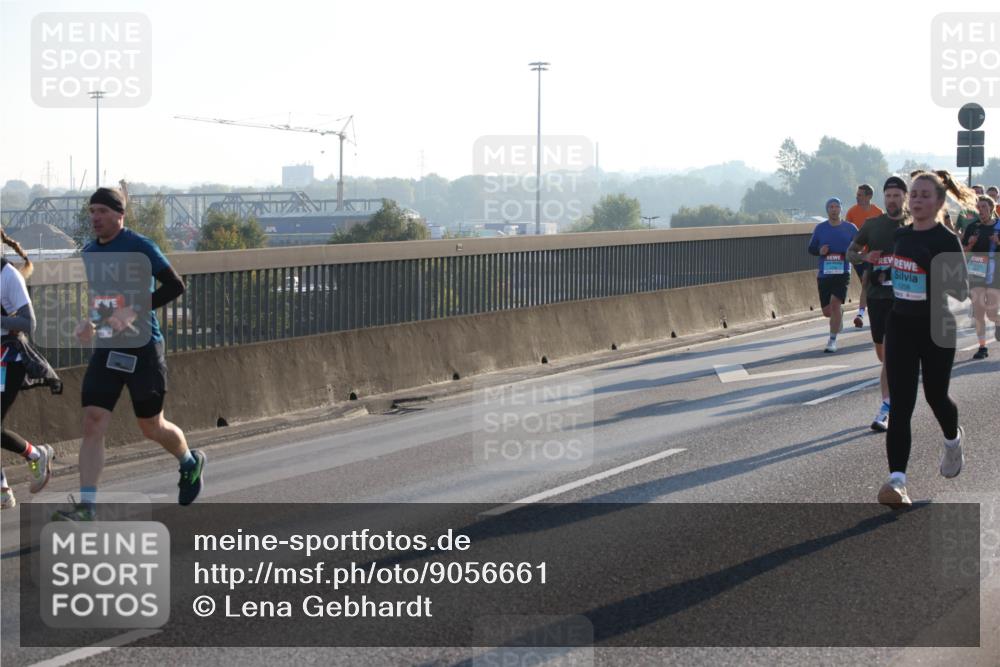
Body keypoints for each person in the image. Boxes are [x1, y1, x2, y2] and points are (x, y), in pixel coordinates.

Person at [53, 186, 204, 521]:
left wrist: (134, 311)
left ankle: (190, 462)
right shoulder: (91, 252)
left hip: (144, 348)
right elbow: (104, 300)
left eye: (103, 211)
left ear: (119, 215)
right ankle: (87, 507)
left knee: (151, 425)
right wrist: (91, 322)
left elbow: (176, 285)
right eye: (92, 211)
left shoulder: (140, 246)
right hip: (108, 346)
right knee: (93, 421)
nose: (95, 217)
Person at [877, 170, 973, 509]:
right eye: (913, 194)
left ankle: (952, 440)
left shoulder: (946, 240)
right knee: (901, 404)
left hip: (936, 327)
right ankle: (897, 481)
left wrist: (931, 268)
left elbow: (960, 290)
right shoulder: (901, 236)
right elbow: (900, 276)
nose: (916, 200)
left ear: (938, 202)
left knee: (935, 396)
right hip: (901, 324)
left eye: (924, 195)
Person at [1, 230, 57, 509]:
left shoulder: (8, 275)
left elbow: (29, 322)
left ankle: (36, 455)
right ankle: (2, 490)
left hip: (9, 357)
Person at [847, 177, 908, 432]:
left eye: (897, 196)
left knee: (891, 357)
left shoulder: (915, 225)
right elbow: (851, 251)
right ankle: (895, 393)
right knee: (883, 352)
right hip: (877, 295)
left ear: (904, 197)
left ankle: (887, 407)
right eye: (889, 196)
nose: (892, 200)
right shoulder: (873, 226)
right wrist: (864, 256)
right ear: (883, 198)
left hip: (905, 298)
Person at [808, 197, 858, 353]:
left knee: (835, 303)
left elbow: (861, 246)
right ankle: (839, 315)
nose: (834, 209)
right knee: (827, 311)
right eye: (831, 207)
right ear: (827, 210)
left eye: (837, 206)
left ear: (841, 209)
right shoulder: (820, 228)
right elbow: (811, 249)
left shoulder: (850, 228)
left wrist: (852, 252)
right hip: (825, 273)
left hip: (842, 271)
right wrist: (820, 251)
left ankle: (832, 341)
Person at [961, 194, 1000, 359]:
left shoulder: (999, 227)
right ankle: (982, 347)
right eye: (979, 207)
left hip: (995, 273)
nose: (981, 210)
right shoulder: (972, 228)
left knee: (991, 313)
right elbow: (963, 251)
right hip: (976, 272)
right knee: (978, 312)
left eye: (984, 207)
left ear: (991, 208)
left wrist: (998, 243)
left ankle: (998, 322)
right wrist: (970, 243)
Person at [845, 184, 884, 327]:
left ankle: (860, 314)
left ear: (869, 196)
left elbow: (883, 234)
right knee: (866, 284)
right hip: (857, 256)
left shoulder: (878, 212)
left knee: (866, 283)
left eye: (860, 194)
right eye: (857, 194)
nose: (857, 197)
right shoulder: (851, 212)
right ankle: (866, 312)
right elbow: (846, 233)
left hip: (873, 255)